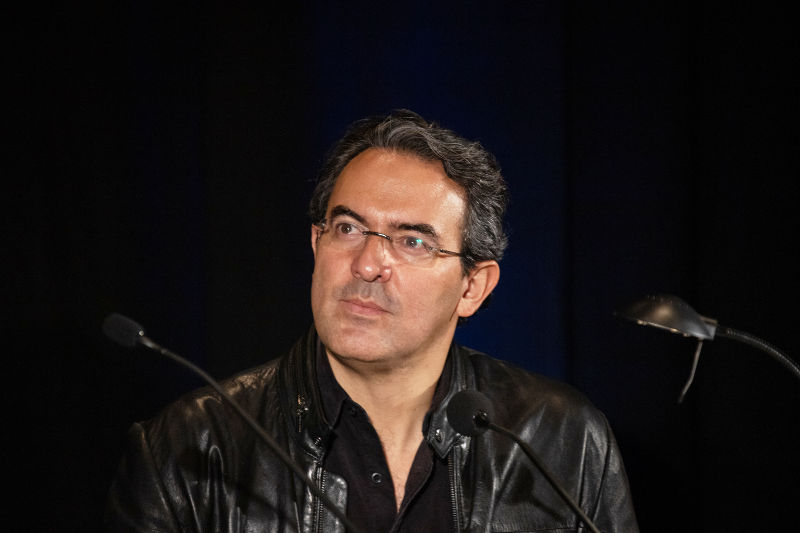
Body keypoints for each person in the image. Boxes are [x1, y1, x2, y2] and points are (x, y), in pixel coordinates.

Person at [105, 109, 639, 532]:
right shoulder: (188, 448)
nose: (366, 265)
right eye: (347, 229)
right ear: (316, 244)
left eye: (413, 241)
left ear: (472, 287)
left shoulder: (562, 439)